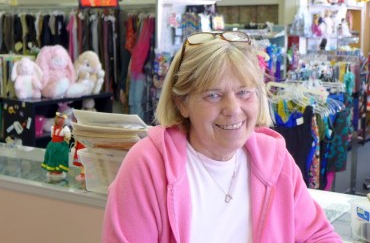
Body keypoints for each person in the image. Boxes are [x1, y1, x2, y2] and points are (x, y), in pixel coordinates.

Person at [102, 31, 341, 242]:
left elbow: (318, 235)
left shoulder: (275, 159)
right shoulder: (147, 166)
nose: (233, 109)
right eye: (213, 95)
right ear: (182, 104)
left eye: (244, 92)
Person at [41, 112, 71, 182]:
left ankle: (55, 171)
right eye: (60, 119)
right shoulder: (58, 128)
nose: (61, 120)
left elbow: (66, 136)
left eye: (62, 119)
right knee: (55, 157)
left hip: (56, 145)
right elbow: (67, 136)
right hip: (56, 145)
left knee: (55, 158)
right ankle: (55, 171)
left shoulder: (59, 128)